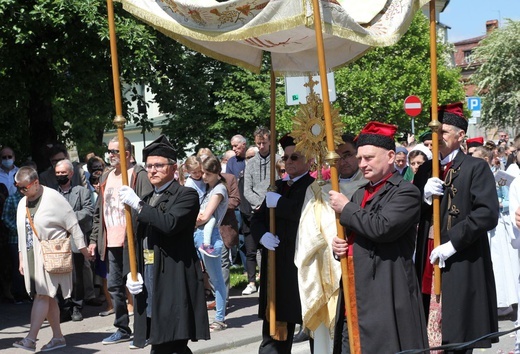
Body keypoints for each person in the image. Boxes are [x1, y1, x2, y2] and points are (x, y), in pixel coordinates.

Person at [327, 122, 427, 353]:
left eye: (369, 158)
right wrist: (338, 246)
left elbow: (382, 228)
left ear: (391, 156)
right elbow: (352, 233)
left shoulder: (406, 192)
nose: (362, 164)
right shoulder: (360, 193)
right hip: (355, 287)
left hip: (384, 288)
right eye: (360, 158)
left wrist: (346, 208)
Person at [414, 102, 499, 353]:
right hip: (428, 255)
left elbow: (486, 214)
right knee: (428, 335)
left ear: (460, 136)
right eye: (434, 132)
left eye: (443, 132)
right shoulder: (426, 170)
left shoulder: (476, 168)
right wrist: (423, 196)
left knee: (457, 332)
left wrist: (453, 243)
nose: (437, 137)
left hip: (461, 257)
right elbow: (410, 213)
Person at [120, 135, 210, 353]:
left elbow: (169, 224)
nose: (152, 170)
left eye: (158, 165)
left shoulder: (186, 195)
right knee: (162, 342)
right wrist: (130, 273)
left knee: (171, 342)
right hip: (148, 278)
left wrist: (138, 205)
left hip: (173, 279)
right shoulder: (147, 197)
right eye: (149, 166)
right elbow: (130, 240)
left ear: (173, 168)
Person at [296, 133, 367, 347]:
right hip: (327, 269)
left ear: (358, 155)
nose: (341, 161)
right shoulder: (318, 190)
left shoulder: (369, 185)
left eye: (347, 154)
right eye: (336, 156)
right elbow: (307, 234)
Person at [12, 167, 93, 352]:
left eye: (24, 188)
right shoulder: (22, 202)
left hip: (51, 255)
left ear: (36, 183)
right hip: (31, 255)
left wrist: (84, 250)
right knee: (48, 298)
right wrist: (21, 258)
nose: (21, 191)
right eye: (18, 188)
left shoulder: (53, 198)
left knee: (42, 295)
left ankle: (31, 339)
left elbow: (72, 223)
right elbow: (21, 232)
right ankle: (58, 337)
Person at [251, 133, 314, 353]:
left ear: (309, 160)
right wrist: (262, 236)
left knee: (314, 325)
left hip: (301, 264)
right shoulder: (276, 186)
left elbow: (306, 214)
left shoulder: (314, 187)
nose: (288, 162)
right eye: (285, 158)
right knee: (274, 328)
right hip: (276, 263)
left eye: (294, 157)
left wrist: (281, 204)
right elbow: (256, 219)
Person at [88, 137, 153, 345]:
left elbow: (146, 206)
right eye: (108, 151)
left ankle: (146, 328)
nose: (110, 155)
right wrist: (93, 239)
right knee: (115, 286)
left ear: (126, 154)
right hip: (111, 241)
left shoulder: (138, 174)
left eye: (115, 152)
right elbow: (99, 212)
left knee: (139, 284)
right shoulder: (107, 176)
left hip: (132, 241)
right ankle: (122, 328)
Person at [53, 159, 95, 322]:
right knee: (60, 275)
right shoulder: (52, 194)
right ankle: (64, 307)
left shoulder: (81, 191)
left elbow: (88, 210)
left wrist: (69, 218)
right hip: (58, 240)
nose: (60, 176)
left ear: (71, 174)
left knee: (77, 275)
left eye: (63, 173)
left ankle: (77, 306)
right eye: (57, 173)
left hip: (76, 239)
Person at [193, 155, 229, 332]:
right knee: (200, 276)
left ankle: (220, 318)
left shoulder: (219, 190)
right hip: (199, 234)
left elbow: (205, 216)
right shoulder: (209, 189)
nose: (204, 177)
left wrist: (192, 221)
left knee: (216, 279)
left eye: (207, 174)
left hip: (211, 237)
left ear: (216, 173)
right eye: (202, 173)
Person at [243, 126, 280, 296]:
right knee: (254, 248)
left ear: (270, 141)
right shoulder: (251, 163)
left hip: (274, 209)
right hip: (257, 210)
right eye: (258, 143)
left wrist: (269, 203)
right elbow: (247, 190)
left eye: (264, 143)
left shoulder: (278, 160)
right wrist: (259, 204)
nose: (261, 147)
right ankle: (258, 279)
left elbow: (280, 183)